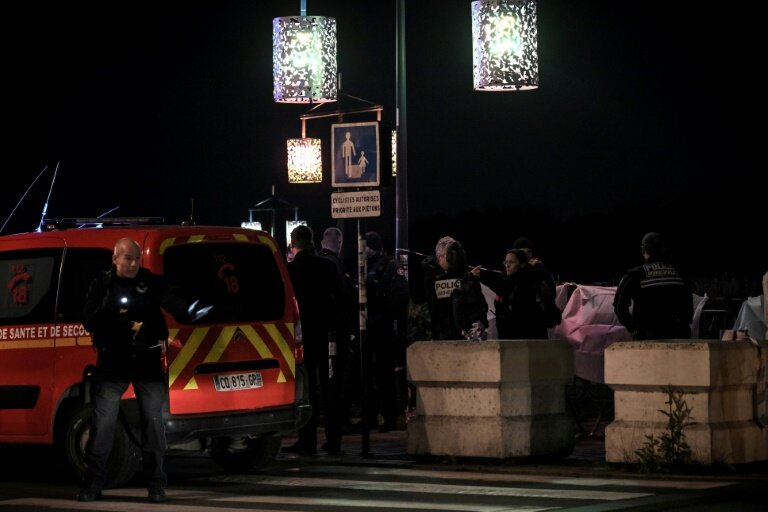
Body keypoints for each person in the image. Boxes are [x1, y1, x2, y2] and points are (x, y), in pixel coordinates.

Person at [79, 238, 203, 503]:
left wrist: (190, 309)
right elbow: (88, 322)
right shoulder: (102, 285)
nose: (134, 263)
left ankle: (156, 486)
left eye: (137, 258)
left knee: (153, 425)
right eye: (128, 258)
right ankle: (92, 484)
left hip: (146, 361)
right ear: (115, 259)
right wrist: (106, 309)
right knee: (103, 425)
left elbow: (171, 300)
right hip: (114, 362)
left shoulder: (150, 282)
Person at [284, 225, 343, 455]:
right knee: (330, 388)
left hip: (302, 336)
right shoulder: (327, 266)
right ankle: (333, 440)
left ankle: (306, 441)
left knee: (307, 389)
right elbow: (342, 295)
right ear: (312, 242)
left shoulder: (291, 270)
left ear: (293, 243)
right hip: (327, 335)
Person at [317, 226, 356, 452]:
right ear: (339, 244)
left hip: (316, 333)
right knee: (335, 384)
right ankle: (335, 437)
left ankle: (319, 438)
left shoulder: (316, 262)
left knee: (323, 385)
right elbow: (346, 297)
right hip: (335, 334)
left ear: (323, 242)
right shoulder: (337, 266)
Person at [614, 232, 693, 340]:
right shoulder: (679, 273)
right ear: (663, 249)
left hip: (647, 338)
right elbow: (688, 304)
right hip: (677, 337)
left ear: (644, 251)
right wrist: (684, 328)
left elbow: (619, 306)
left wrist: (633, 329)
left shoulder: (636, 274)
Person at [364, 231, 399, 431]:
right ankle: (370, 417)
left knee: (384, 374)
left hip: (383, 326)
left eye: (366, 247)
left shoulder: (389, 265)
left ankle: (389, 417)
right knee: (367, 374)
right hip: (368, 325)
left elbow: (391, 295)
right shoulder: (366, 264)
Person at [473, 249, 548, 339]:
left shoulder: (528, 281)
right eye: (506, 262)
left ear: (522, 264)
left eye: (511, 262)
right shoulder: (506, 280)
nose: (507, 265)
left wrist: (481, 277)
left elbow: (503, 289)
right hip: (509, 335)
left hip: (527, 336)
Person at [426, 236, 487, 340]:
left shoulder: (437, 281)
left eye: (439, 257)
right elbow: (481, 308)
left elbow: (434, 313)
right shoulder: (469, 278)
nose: (438, 262)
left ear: (444, 257)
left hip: (445, 338)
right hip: (468, 337)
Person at [512, 237, 561, 329]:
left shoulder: (539, 270)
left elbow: (551, 291)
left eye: (529, 251)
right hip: (516, 318)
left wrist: (537, 271)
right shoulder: (510, 269)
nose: (526, 255)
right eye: (522, 251)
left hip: (537, 317)